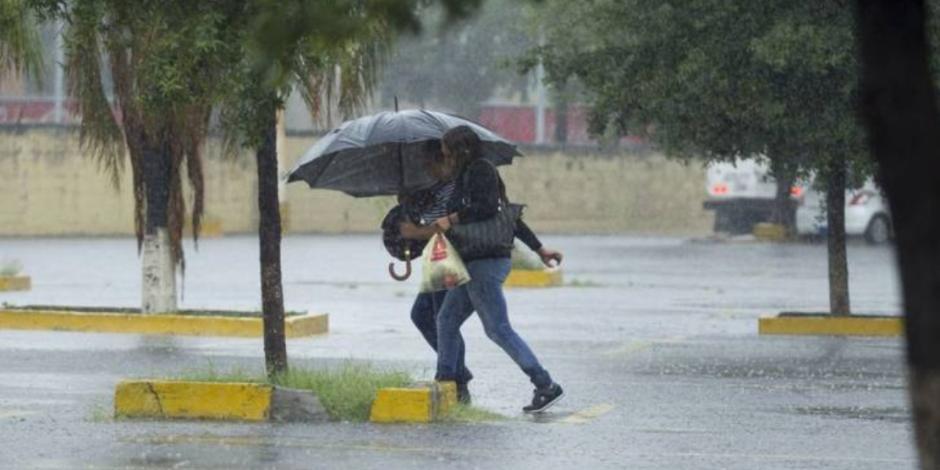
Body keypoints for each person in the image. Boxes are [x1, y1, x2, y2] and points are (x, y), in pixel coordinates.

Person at [404, 125, 565, 413]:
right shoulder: (467, 176)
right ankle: (446, 382)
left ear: (460, 149)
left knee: (498, 329)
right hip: (473, 262)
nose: (445, 157)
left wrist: (450, 219)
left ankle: (545, 384)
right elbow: (509, 217)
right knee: (446, 320)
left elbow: (490, 208)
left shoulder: (480, 170)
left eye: (447, 152)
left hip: (485, 262)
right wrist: (540, 249)